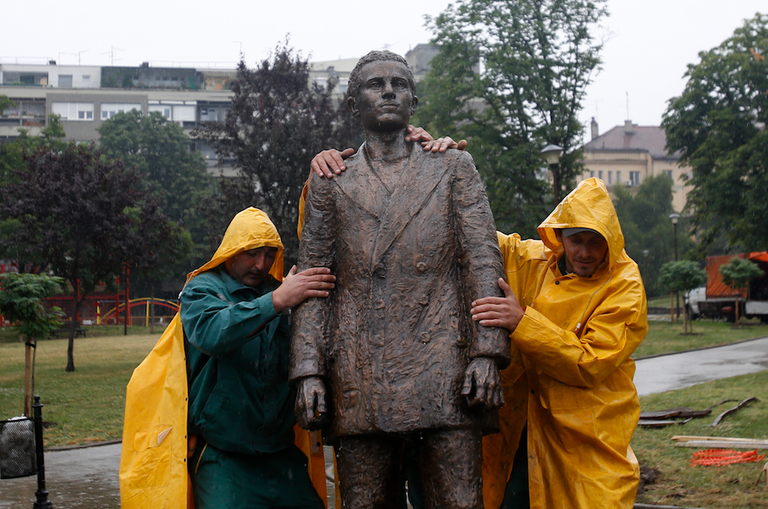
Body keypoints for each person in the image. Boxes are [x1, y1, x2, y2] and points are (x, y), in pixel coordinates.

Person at [310, 151, 647, 508]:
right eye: (577, 240)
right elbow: (463, 231)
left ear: (611, 240)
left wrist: (522, 323)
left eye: (596, 242)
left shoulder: (624, 286)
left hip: (585, 435)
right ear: (560, 235)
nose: (584, 252)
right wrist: (438, 161)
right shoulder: (530, 260)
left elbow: (590, 362)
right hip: (520, 425)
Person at [290, 50, 512, 509]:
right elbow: (313, 280)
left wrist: (487, 352)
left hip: (445, 365)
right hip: (360, 369)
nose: (389, 91)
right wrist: (309, 370)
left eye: (399, 83)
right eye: (375, 84)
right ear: (354, 105)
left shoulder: (452, 166)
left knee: (459, 502)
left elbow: (482, 262)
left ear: (414, 99)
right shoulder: (331, 180)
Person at [120, 207, 336, 509]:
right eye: (251, 253)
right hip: (224, 459)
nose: (261, 264)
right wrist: (276, 302)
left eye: (269, 254)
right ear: (232, 250)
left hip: (281, 456)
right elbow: (212, 334)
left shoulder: (286, 293)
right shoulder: (202, 290)